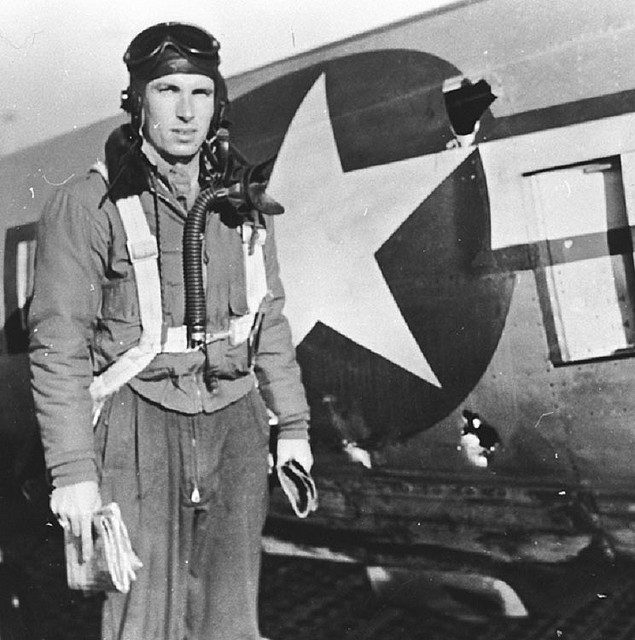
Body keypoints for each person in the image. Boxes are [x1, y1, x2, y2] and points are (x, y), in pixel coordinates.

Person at [29, 21, 312, 640]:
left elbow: (269, 319)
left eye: (200, 93)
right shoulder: (88, 205)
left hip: (235, 420)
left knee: (232, 618)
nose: (186, 112)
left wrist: (291, 426)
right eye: (166, 90)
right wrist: (73, 472)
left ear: (219, 104)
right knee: (143, 620)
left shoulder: (240, 202)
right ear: (137, 102)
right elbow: (58, 348)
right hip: (138, 426)